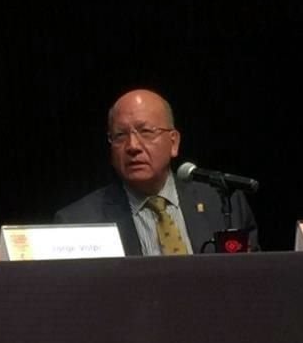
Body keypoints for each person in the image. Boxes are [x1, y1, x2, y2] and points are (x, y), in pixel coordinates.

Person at [54, 89, 258, 255]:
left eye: (146, 132)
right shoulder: (78, 222)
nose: (132, 146)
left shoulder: (224, 204)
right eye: (120, 135)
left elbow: (256, 284)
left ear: (173, 142)